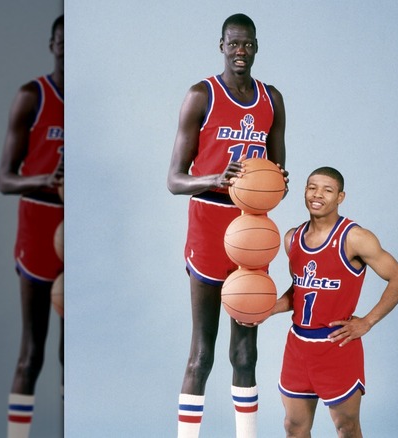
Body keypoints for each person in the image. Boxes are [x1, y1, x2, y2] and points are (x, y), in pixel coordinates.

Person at [166, 13, 286, 438]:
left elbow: (277, 167)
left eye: (247, 44)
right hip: (209, 220)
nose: (240, 51)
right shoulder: (202, 95)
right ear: (221, 45)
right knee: (203, 350)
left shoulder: (272, 99)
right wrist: (213, 179)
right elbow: (174, 180)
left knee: (246, 350)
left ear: (256, 46)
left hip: (252, 226)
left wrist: (278, 182)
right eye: (233, 44)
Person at [268, 167, 398, 438]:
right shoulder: (292, 238)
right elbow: (299, 290)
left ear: (340, 197)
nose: (317, 194)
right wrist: (268, 308)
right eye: (312, 187)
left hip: (337, 345)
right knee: (293, 427)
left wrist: (367, 322)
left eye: (327, 190)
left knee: (346, 428)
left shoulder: (355, 238)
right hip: (298, 345)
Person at [0, 14, 64, 438]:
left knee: (69, 354)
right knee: (32, 350)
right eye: (63, 41)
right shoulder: (32, 96)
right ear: (52, 44)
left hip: (77, 229)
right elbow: (3, 179)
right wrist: (46, 180)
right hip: (39, 223)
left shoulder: (90, 103)